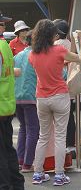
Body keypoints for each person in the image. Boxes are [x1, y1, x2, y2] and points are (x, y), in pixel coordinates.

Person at [29, 19, 81, 186]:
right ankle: (59, 175)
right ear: (51, 34)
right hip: (60, 96)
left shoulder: (33, 54)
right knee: (60, 137)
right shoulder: (59, 50)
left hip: (41, 97)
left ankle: (38, 173)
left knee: (43, 137)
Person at [0, 11, 25, 189]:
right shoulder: (5, 46)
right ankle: (16, 184)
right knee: (7, 149)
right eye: (2, 24)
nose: (4, 26)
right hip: (6, 107)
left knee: (2, 152)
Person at [14, 31, 39, 173]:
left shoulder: (17, 56)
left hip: (17, 97)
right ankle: (28, 163)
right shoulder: (36, 56)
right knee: (33, 129)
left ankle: (20, 159)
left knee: (23, 128)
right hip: (31, 97)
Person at [53, 19, 76, 155]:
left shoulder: (55, 45)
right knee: (70, 117)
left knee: (58, 119)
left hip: (57, 87)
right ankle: (71, 146)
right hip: (70, 85)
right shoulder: (70, 44)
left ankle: (60, 148)